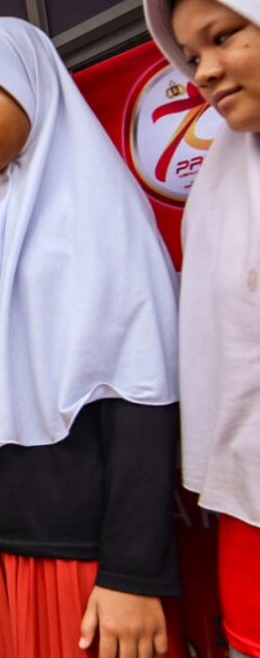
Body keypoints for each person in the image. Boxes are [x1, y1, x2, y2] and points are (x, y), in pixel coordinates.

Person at [0, 18, 184, 658]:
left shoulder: (102, 215)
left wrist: (131, 570)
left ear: (32, 86)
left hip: (83, 558)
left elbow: (142, 392)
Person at [144, 1, 260, 656]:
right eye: (190, 57)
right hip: (250, 516)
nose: (204, 73)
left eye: (223, 37)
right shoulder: (214, 186)